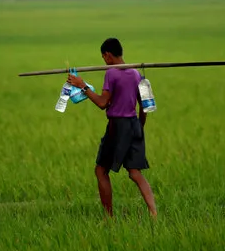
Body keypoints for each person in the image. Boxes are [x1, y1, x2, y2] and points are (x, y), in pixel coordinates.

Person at [66, 37, 157, 219]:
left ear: (107, 55)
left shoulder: (112, 74)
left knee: (100, 170)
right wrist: (139, 127)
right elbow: (144, 105)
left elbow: (102, 103)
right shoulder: (136, 73)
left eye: (103, 58)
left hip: (117, 127)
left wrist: (82, 86)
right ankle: (154, 213)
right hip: (133, 124)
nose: (104, 62)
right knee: (134, 172)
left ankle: (109, 218)